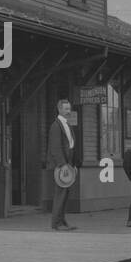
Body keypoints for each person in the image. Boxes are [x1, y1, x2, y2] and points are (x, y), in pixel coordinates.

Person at [46, 98, 78, 231]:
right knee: (60, 194)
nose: (68, 111)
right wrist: (63, 165)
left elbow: (71, 145)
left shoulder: (68, 124)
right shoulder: (55, 125)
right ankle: (56, 224)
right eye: (65, 108)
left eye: (69, 108)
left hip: (68, 164)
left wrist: (73, 165)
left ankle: (62, 221)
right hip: (60, 166)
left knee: (65, 194)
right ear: (59, 109)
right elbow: (55, 147)